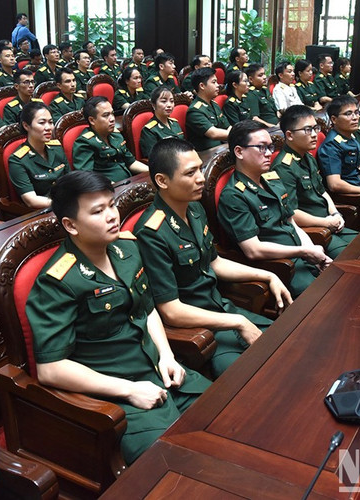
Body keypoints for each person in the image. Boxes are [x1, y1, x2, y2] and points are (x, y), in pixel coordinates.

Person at [27, 170, 211, 463]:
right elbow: (51, 369)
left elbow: (146, 308)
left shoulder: (127, 250)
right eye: (98, 211)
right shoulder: (57, 281)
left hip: (163, 375)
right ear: (70, 225)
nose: (112, 216)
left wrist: (166, 355)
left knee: (229, 417)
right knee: (182, 463)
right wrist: (129, 390)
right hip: (118, 400)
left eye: (112, 205)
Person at [134, 139, 288, 376]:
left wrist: (268, 275)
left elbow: (214, 262)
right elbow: (171, 311)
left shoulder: (193, 208)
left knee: (287, 345)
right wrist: (237, 322)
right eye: (190, 173)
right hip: (200, 331)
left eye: (199, 168)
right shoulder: (151, 232)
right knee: (256, 377)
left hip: (223, 308)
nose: (201, 178)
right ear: (162, 181)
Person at [218, 121, 331, 297]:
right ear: (239, 151)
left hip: (302, 256)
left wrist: (315, 254)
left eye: (270, 147)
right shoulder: (233, 195)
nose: (270, 153)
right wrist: (304, 251)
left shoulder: (271, 178)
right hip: (280, 267)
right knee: (325, 299)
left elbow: (290, 222)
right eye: (262, 148)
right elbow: (254, 250)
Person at [271, 105, 356, 258]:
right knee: (356, 256)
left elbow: (321, 191)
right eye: (307, 130)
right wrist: (326, 222)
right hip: (314, 232)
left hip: (330, 222)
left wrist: (335, 213)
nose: (315, 135)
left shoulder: (307, 157)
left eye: (315, 128)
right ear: (289, 135)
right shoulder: (283, 167)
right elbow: (292, 214)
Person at [316, 95, 360, 220]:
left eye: (357, 112)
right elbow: (334, 184)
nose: (355, 118)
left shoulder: (351, 137)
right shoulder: (331, 146)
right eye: (348, 114)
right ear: (334, 119)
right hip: (354, 198)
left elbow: (359, 164)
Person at [72, 96, 148, 182]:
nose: (112, 119)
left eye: (112, 113)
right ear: (92, 120)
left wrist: (152, 171)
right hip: (108, 190)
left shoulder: (116, 136)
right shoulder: (85, 143)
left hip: (128, 182)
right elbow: (88, 179)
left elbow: (131, 162)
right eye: (106, 115)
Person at [8, 102, 68, 208]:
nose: (48, 127)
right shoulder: (17, 160)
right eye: (42, 123)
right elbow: (31, 200)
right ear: (26, 125)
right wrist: (66, 203)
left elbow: (70, 180)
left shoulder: (56, 148)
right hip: (44, 211)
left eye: (51, 122)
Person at [185, 67, 230, 151]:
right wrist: (239, 134)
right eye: (214, 82)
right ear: (202, 86)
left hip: (221, 148)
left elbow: (227, 126)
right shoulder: (195, 111)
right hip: (206, 154)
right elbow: (213, 134)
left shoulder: (214, 104)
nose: (218, 85)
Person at [139, 86, 184, 158]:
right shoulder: (149, 130)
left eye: (172, 101)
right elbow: (153, 158)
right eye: (164, 101)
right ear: (154, 105)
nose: (169, 105)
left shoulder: (175, 123)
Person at [245, 64, 279, 129]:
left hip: (277, 124)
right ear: (251, 79)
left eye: (264, 74)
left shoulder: (265, 90)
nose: (264, 77)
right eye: (260, 75)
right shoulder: (251, 94)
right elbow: (255, 119)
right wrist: (274, 127)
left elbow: (275, 111)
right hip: (267, 128)